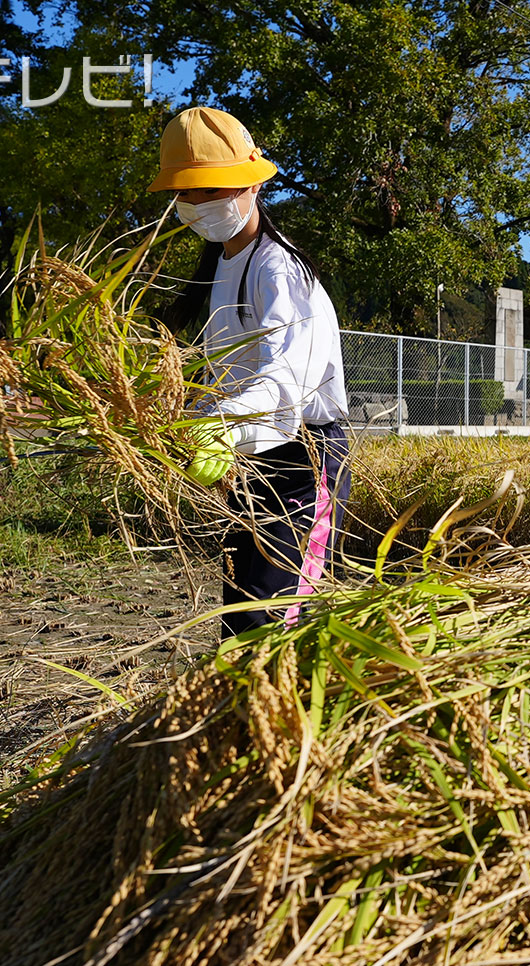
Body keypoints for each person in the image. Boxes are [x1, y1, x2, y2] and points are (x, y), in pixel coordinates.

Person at [152, 106, 351, 637]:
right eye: (187, 193)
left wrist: (227, 424)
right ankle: (241, 709)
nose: (197, 205)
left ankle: (288, 712)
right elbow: (230, 371)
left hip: (303, 461)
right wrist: (191, 416)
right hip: (251, 457)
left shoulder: (277, 269)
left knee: (280, 614)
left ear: (251, 185)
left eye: (211, 191)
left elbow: (288, 375)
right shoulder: (221, 263)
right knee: (242, 602)